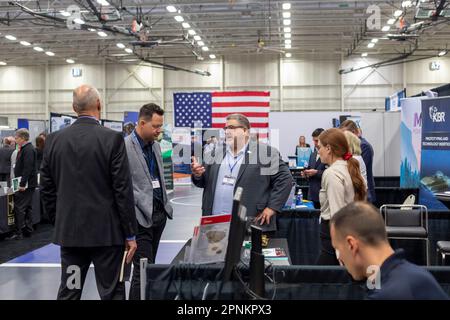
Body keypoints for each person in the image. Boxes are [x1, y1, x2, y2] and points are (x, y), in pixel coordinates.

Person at [40, 84, 138, 300]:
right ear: (99, 104)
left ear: (74, 107)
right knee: (111, 291)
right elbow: (122, 189)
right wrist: (130, 233)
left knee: (71, 290)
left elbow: (46, 188)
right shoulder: (112, 139)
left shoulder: (54, 140)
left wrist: (60, 220)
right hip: (107, 237)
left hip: (71, 237)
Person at [191, 114, 293, 229]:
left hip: (249, 222)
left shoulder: (265, 153)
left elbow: (285, 180)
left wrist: (272, 207)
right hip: (214, 223)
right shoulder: (215, 153)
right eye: (226, 128)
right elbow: (202, 182)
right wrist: (198, 175)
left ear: (245, 131)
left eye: (232, 128)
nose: (227, 132)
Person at [331, 202, 449, 300]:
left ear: (351, 245)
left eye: (338, 248)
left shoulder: (387, 294)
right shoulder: (418, 276)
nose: (339, 257)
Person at [125, 103, 173, 300]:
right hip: (139, 219)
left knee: (150, 267)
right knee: (142, 270)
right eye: (155, 126)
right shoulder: (124, 147)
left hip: (159, 216)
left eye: (160, 125)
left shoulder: (156, 146)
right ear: (142, 123)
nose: (159, 130)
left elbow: (158, 178)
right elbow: (121, 186)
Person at [316, 128, 366, 265]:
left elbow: (336, 213)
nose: (318, 151)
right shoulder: (349, 168)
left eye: (319, 147)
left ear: (328, 148)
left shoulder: (332, 173)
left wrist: (340, 250)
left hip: (334, 236)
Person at [6, 129, 37, 240]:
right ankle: (28, 230)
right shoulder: (25, 149)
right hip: (25, 182)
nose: (15, 139)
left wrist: (22, 184)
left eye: (17, 137)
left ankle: (19, 233)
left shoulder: (28, 150)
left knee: (19, 207)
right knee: (27, 207)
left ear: (23, 138)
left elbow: (28, 168)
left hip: (25, 184)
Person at [340, 120, 375, 203]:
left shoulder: (363, 146)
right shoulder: (358, 146)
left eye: (344, 134)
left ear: (353, 132)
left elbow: (356, 171)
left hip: (362, 192)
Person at [302, 128, 326, 209]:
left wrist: (316, 172)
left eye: (317, 141)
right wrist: (305, 174)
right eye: (314, 141)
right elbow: (309, 169)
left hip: (324, 196)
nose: (315, 144)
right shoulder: (313, 155)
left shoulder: (330, 154)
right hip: (311, 195)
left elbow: (331, 173)